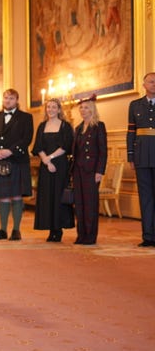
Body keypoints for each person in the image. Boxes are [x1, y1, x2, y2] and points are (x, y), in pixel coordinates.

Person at [0, 88, 34, 241]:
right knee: (3, 197)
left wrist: (10, 151)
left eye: (11, 98)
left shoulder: (26, 118)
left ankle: (16, 230)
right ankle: (2, 230)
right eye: (5, 98)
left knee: (16, 196)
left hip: (16, 160)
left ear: (17, 100)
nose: (8, 101)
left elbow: (27, 139)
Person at [31, 98, 75, 242]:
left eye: (54, 107)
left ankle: (59, 229)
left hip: (60, 165)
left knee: (58, 196)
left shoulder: (65, 126)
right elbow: (37, 146)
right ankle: (51, 229)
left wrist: (50, 158)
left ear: (59, 109)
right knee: (47, 197)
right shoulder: (42, 125)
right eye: (48, 107)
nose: (50, 109)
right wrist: (45, 160)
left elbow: (66, 146)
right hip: (46, 166)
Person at [72, 95, 107, 245]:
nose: (83, 110)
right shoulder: (78, 128)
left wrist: (99, 171)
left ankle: (90, 236)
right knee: (79, 204)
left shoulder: (99, 126)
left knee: (90, 204)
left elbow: (103, 151)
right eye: (81, 107)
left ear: (92, 109)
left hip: (91, 171)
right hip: (78, 170)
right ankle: (81, 235)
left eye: (86, 107)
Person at [127, 72, 155, 247]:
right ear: (144, 85)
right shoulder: (135, 105)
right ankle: (148, 236)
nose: (154, 84)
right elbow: (131, 132)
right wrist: (130, 155)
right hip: (142, 156)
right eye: (151, 82)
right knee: (145, 197)